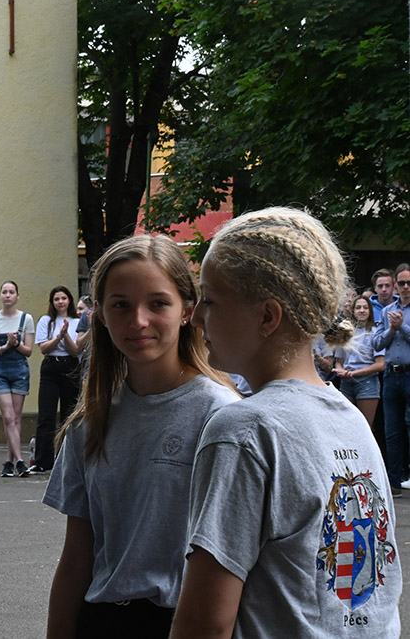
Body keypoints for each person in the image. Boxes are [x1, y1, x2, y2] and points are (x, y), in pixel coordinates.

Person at [171, 207, 401, 637]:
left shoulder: (243, 431)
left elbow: (205, 623)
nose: (196, 316)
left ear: (267, 317)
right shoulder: (351, 419)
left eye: (210, 300)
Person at [43, 235, 238, 638]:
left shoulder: (221, 415)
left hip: (182, 622)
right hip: (101, 620)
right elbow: (76, 558)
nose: (139, 321)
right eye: (121, 305)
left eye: (158, 303)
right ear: (99, 314)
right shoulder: (89, 423)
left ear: (187, 311)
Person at [0, 280, 35, 477]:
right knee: (8, 417)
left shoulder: (26, 319)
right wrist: (5, 346)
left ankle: (9, 461)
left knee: (16, 417)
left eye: (11, 292)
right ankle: (20, 461)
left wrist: (16, 344)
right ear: (0, 296)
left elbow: (29, 351)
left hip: (19, 370)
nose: (8, 295)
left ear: (17, 296)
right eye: (4, 292)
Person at [30, 286, 84, 474]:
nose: (60, 302)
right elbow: (44, 348)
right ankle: (42, 461)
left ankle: (66, 459)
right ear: (52, 303)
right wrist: (59, 335)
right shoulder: (46, 321)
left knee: (69, 414)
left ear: (69, 300)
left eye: (63, 298)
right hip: (51, 367)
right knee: (46, 415)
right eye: (56, 299)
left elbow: (75, 350)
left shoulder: (77, 322)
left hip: (70, 367)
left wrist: (66, 334)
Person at [373, 262, 410, 497]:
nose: (406, 287)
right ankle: (394, 481)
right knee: (392, 430)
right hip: (391, 375)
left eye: (409, 283)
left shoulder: (398, 316)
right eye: (402, 283)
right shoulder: (388, 311)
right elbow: (376, 343)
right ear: (396, 284)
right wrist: (392, 330)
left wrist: (402, 326)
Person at [336, 295, 384, 426]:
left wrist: (354, 373)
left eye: (365, 308)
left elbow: (380, 364)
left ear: (370, 311)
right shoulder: (345, 332)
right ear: (353, 311)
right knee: (345, 425)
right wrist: (340, 370)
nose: (362, 311)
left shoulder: (375, 332)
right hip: (346, 383)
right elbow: (339, 361)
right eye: (358, 308)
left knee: (365, 426)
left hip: (366, 383)